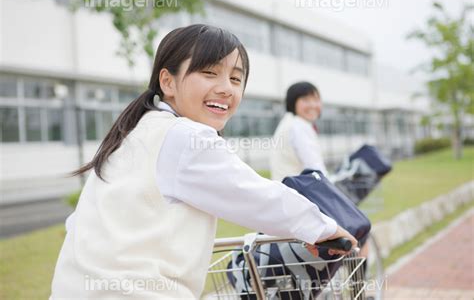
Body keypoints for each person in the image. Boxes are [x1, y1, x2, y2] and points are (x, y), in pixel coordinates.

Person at [49, 25, 357, 298]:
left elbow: (80, 223)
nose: (226, 88)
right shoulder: (184, 136)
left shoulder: (135, 131)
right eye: (209, 73)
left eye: (236, 79)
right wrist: (324, 229)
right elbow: (252, 194)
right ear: (168, 82)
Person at [270, 82, 327, 181]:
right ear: (293, 102)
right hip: (296, 192)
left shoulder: (289, 122)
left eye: (316, 99)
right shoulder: (299, 126)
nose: (313, 105)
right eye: (306, 100)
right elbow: (316, 169)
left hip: (286, 189)